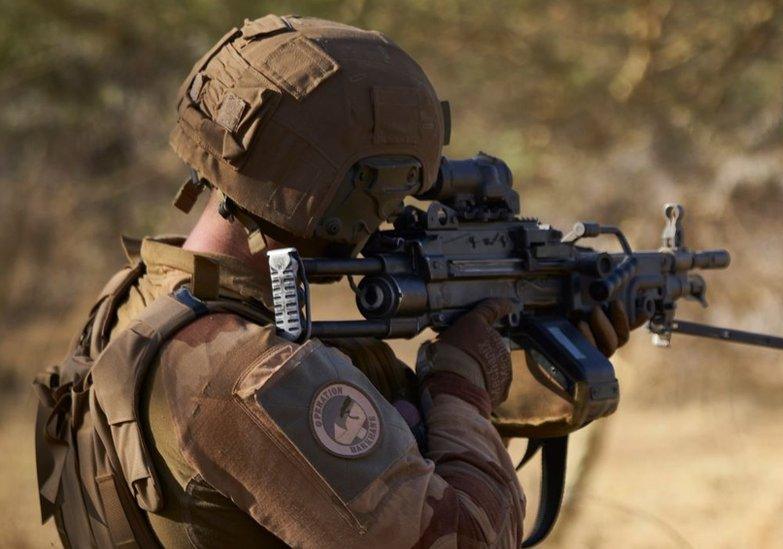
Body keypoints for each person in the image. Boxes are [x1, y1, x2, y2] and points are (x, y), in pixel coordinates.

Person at [34, 15, 634, 548]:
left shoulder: (140, 300)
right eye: (394, 189)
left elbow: (368, 459)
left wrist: (525, 371)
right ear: (347, 190)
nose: (398, 211)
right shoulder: (247, 374)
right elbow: (468, 537)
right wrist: (462, 380)